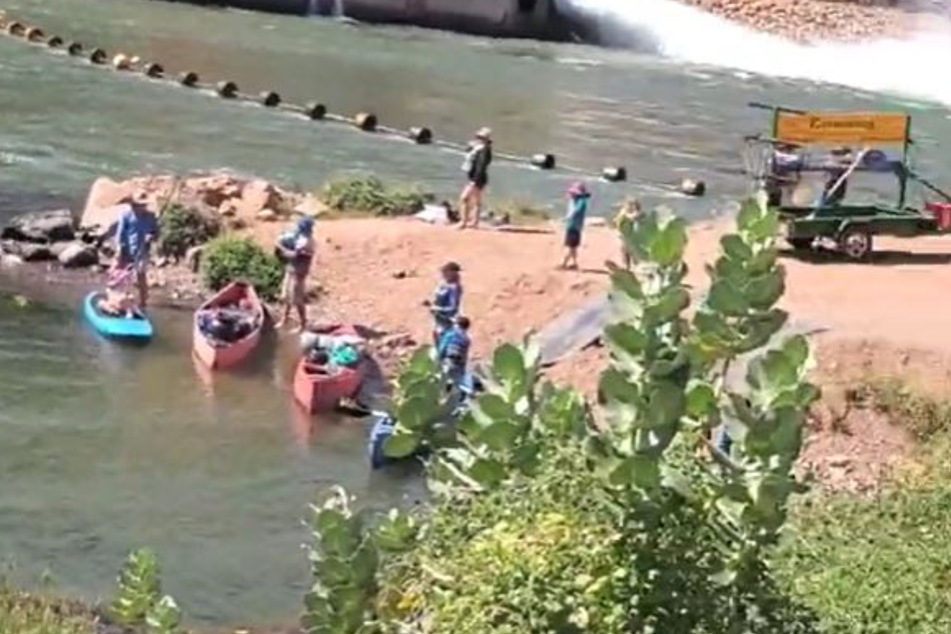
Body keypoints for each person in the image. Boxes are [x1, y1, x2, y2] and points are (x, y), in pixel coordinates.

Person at [114, 190, 159, 310]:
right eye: (137, 205)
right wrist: (119, 248)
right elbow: (120, 233)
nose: (140, 208)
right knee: (123, 275)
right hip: (127, 249)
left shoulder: (151, 217)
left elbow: (156, 233)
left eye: (143, 205)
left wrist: (151, 236)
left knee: (141, 275)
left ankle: (143, 302)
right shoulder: (126, 215)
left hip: (143, 250)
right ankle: (120, 299)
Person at [275, 216, 316, 331]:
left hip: (299, 272)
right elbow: (285, 239)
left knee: (297, 299)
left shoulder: (307, 241)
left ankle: (303, 324)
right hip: (291, 268)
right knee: (286, 296)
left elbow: (292, 254)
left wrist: (281, 248)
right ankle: (284, 319)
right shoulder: (298, 235)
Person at [458, 127, 493, 230]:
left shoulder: (484, 150)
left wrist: (474, 181)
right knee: (477, 200)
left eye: (481, 137)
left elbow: (481, 166)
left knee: (464, 198)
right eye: (478, 137)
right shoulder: (478, 148)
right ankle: (474, 222)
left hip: (477, 178)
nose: (478, 139)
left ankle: (463, 222)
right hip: (476, 177)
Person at [424, 261, 463, 344]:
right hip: (438, 318)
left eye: (445, 271)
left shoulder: (454, 287)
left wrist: (437, 309)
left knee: (445, 343)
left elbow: (453, 308)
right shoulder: (443, 285)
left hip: (448, 321)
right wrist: (430, 304)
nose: (443, 274)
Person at [561, 182, 591, 270]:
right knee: (573, 247)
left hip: (574, 226)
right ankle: (574, 263)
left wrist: (567, 218)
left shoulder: (581, 202)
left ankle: (564, 263)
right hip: (572, 226)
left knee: (571, 246)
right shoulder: (576, 201)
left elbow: (575, 212)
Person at [437, 316, 471, 387]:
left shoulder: (451, 334)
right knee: (456, 384)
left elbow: (443, 347)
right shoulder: (467, 339)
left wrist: (439, 358)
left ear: (458, 325)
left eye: (455, 323)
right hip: (459, 364)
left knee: (444, 381)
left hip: (449, 359)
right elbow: (465, 354)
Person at [613, 197, 641, 270]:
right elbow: (618, 221)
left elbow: (633, 217)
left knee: (633, 251)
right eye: (629, 205)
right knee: (625, 251)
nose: (630, 207)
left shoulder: (635, 213)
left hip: (632, 236)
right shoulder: (623, 212)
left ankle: (635, 266)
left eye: (632, 205)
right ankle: (627, 266)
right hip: (625, 235)